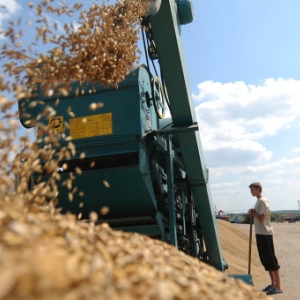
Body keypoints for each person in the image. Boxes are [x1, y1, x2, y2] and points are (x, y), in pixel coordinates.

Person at [248, 182, 283, 295]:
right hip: (260, 233)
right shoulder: (258, 201)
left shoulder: (262, 201)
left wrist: (254, 214)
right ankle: (273, 284)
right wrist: (253, 213)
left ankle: (278, 286)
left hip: (265, 233)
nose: (251, 191)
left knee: (271, 260)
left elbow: (262, 218)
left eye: (252, 189)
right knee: (265, 260)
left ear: (258, 189)